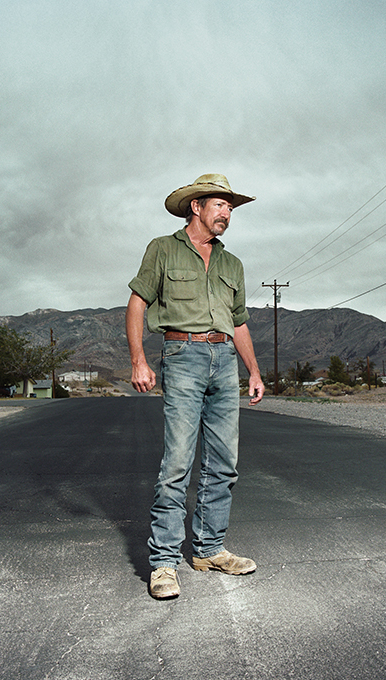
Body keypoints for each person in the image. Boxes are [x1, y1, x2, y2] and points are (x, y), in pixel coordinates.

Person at [126, 173, 265, 599]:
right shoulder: (163, 249)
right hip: (181, 355)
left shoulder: (232, 264)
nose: (226, 213)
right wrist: (139, 360)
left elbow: (238, 322)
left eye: (230, 206)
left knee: (224, 463)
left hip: (224, 361)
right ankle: (164, 563)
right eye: (219, 205)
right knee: (178, 462)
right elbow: (137, 301)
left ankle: (208, 549)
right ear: (196, 207)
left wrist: (254, 372)